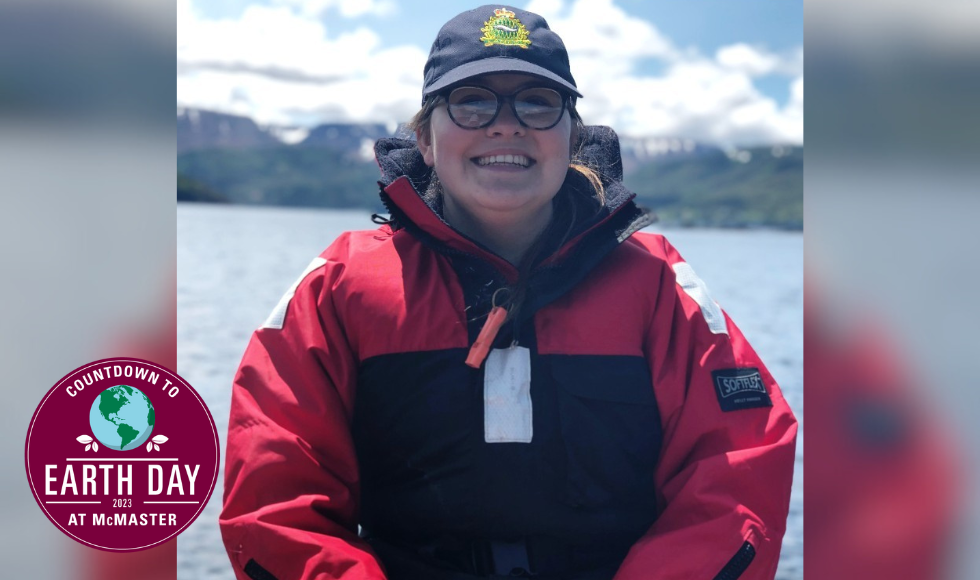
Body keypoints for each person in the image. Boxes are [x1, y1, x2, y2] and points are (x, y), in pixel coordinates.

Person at [219, 5, 797, 580]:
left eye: (537, 102)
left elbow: (736, 471)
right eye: (470, 100)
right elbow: (277, 502)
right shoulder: (338, 287)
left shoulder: (657, 286)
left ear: (572, 135)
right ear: (424, 137)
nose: (506, 124)